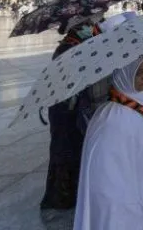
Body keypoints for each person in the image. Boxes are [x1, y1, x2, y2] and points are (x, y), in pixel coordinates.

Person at [74, 54, 143, 230]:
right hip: (128, 215)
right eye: (138, 72)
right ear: (123, 74)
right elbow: (107, 187)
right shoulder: (111, 122)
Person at [41, 17, 105, 211]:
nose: (88, 28)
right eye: (83, 26)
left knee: (76, 150)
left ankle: (74, 191)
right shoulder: (66, 49)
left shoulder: (80, 45)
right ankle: (60, 196)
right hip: (64, 109)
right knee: (64, 151)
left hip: (74, 108)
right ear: (74, 30)